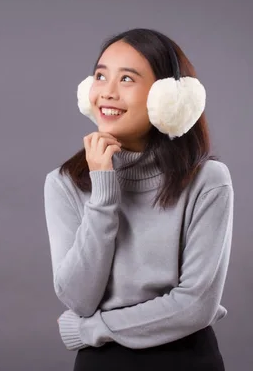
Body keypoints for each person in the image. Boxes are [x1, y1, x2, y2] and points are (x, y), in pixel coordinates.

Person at [43, 28, 233, 371]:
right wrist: (103, 189)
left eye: (127, 79)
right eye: (100, 76)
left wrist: (93, 329)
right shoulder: (64, 183)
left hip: (187, 360)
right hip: (102, 363)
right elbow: (79, 298)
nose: (107, 93)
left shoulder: (208, 181)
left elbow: (196, 306)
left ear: (168, 97)